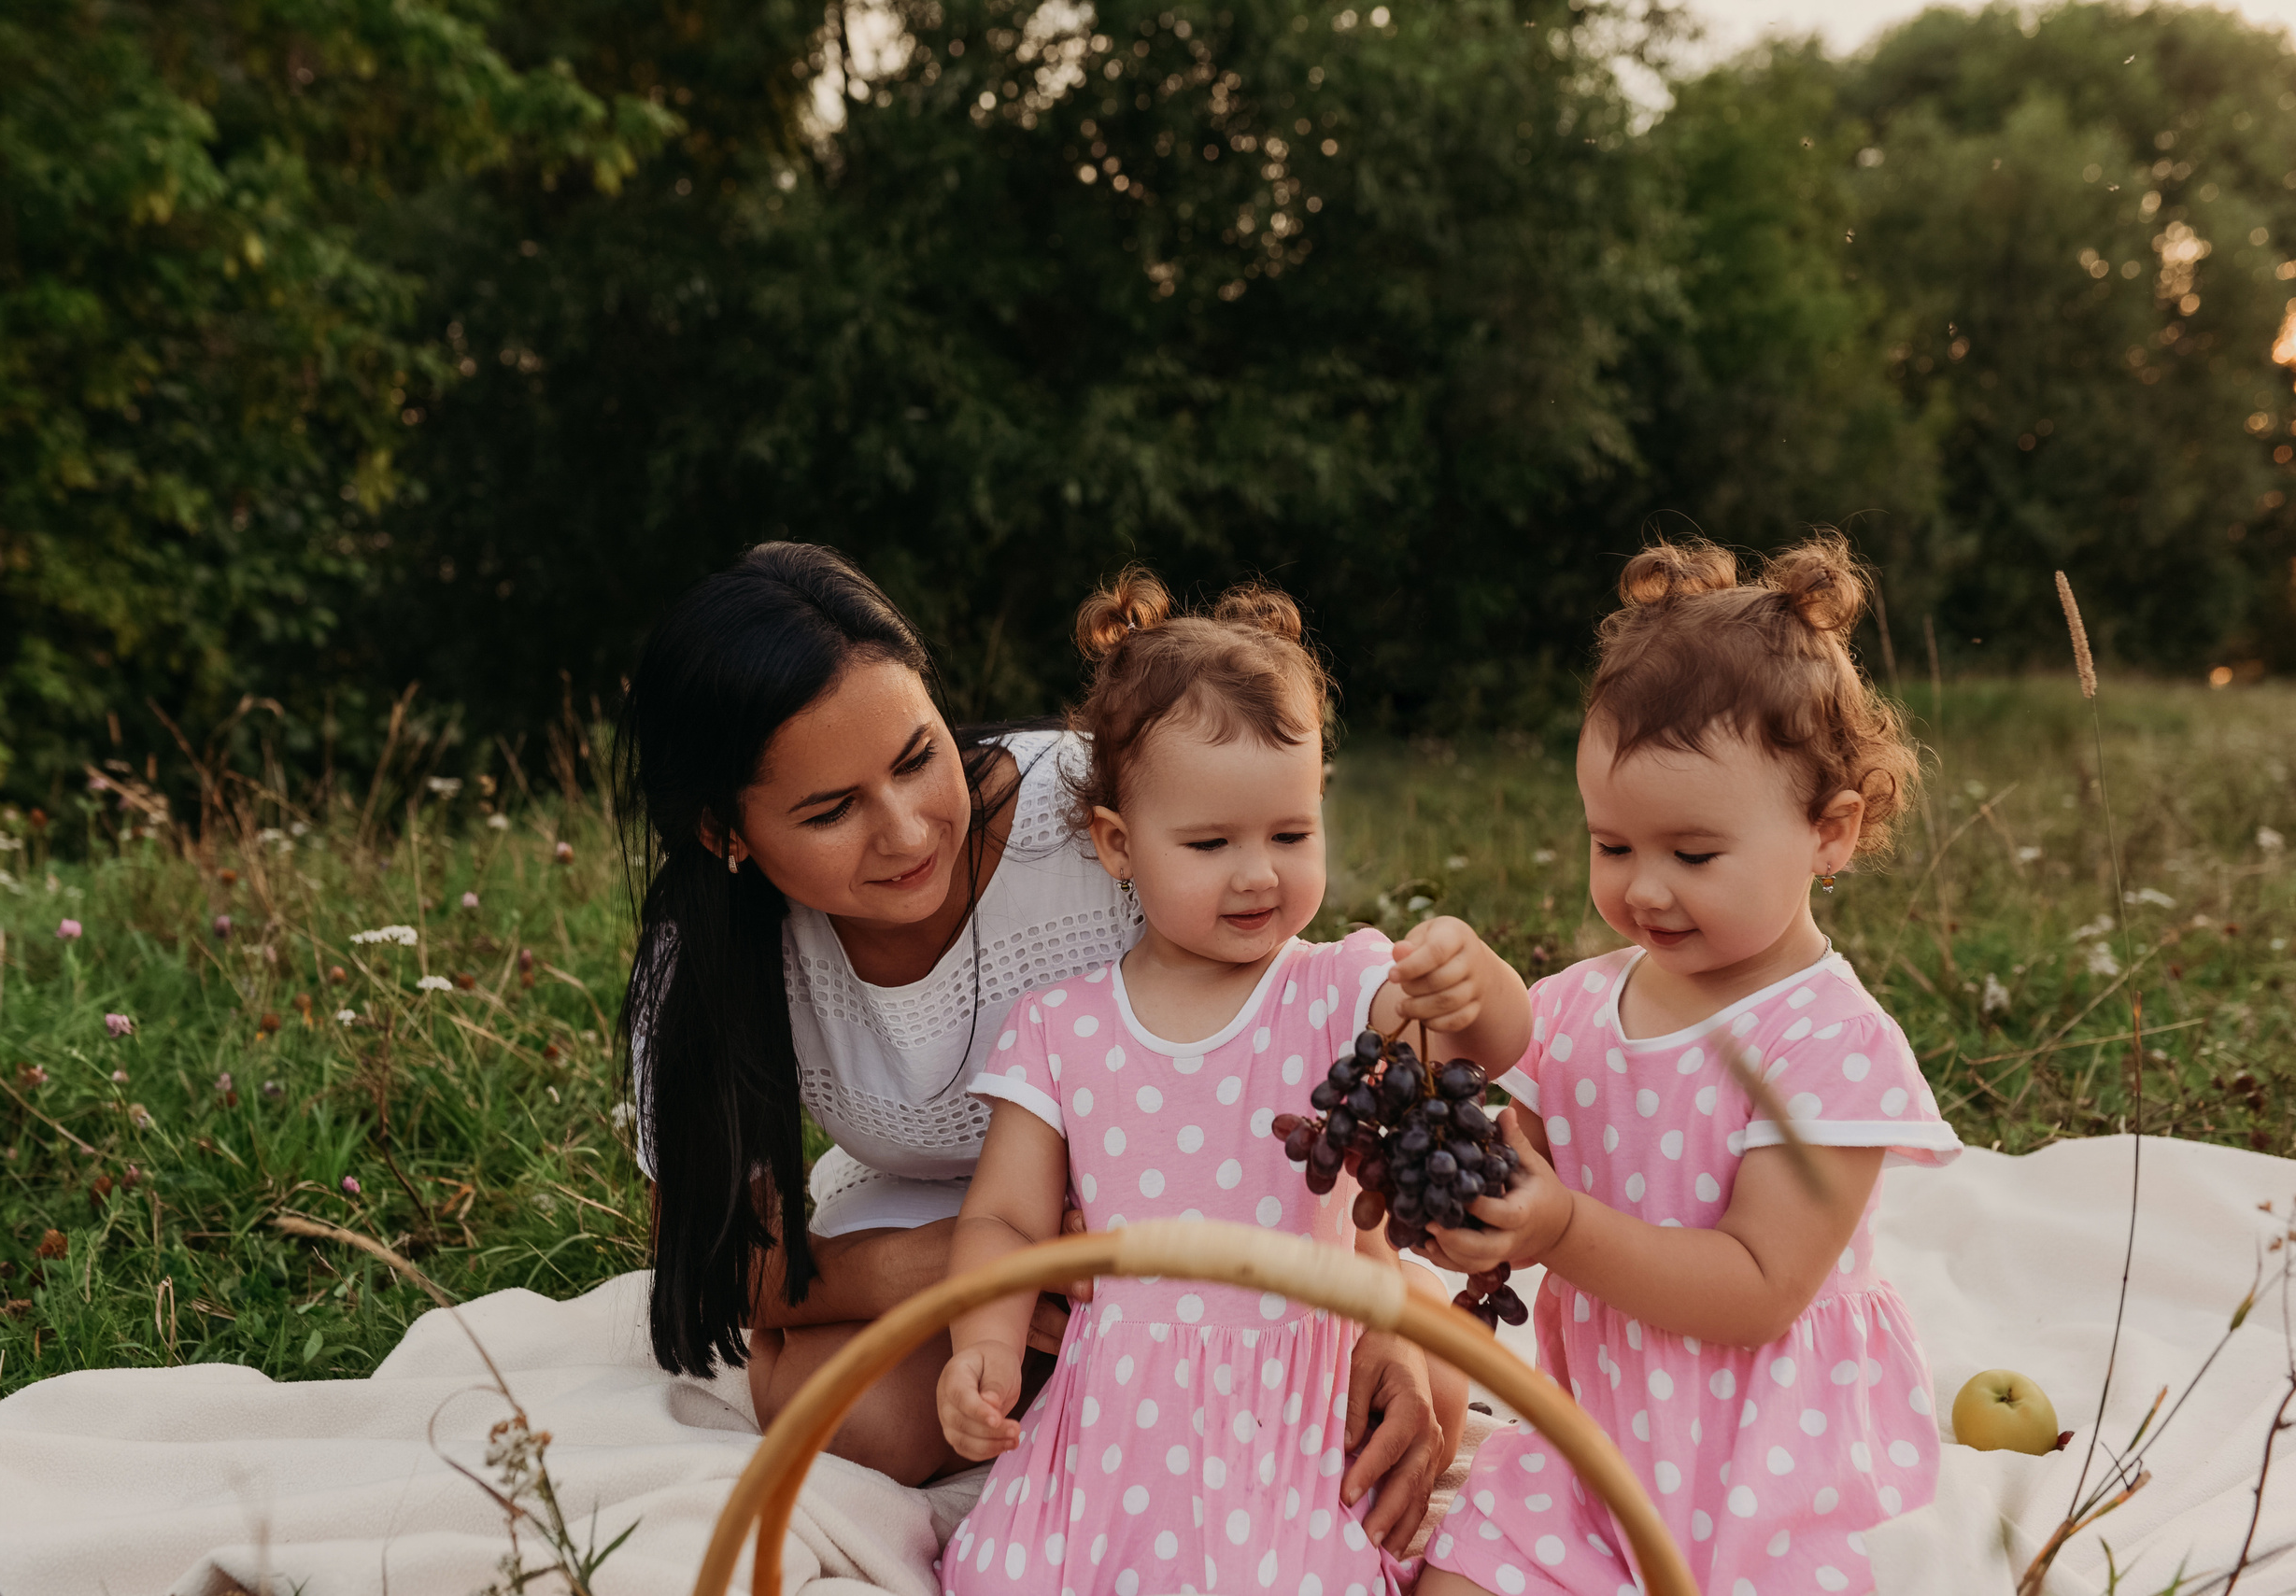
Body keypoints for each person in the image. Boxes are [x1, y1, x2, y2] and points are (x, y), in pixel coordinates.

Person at [616, 543, 1464, 1535]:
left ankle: (1120, 1368)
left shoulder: (1090, 813)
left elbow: (1301, 1048)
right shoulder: (708, 961)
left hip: (1202, 1183)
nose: (905, 830)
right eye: (831, 809)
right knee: (865, 1422)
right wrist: (956, 1264)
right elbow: (726, 1263)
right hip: (939, 1219)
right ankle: (1075, 1373)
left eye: (915, 756)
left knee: (1415, 1397)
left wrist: (1381, 1309)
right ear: (727, 832)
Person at [931, 571, 1534, 1594]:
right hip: (1117, 1408)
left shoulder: (1342, 986)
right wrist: (981, 1343)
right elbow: (1003, 1219)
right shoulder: (1064, 1025)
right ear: (1118, 844)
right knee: (1014, 1574)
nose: (1258, 873)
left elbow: (1491, 1045)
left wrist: (1468, 979)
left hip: (1290, 1400)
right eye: (1211, 843)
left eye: (1290, 834)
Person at [1413, 535, 1963, 1596]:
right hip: (1592, 1449)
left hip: (1767, 1466)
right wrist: (1469, 1184)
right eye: (1612, 846)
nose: (1645, 890)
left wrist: (1563, 1226)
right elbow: (1510, 1187)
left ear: (1830, 831)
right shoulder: (1573, 1007)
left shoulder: (1828, 1045)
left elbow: (1758, 1288)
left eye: (1693, 854)